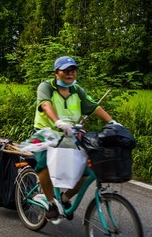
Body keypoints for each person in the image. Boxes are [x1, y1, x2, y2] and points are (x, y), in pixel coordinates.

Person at [32, 56, 118, 222]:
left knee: (86, 172)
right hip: (45, 132)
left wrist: (113, 122)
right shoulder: (46, 87)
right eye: (66, 70)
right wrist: (57, 121)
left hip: (69, 134)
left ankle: (63, 200)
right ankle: (50, 203)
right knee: (43, 166)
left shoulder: (77, 90)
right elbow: (45, 104)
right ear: (56, 73)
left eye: (73, 70)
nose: (70, 74)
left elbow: (94, 108)